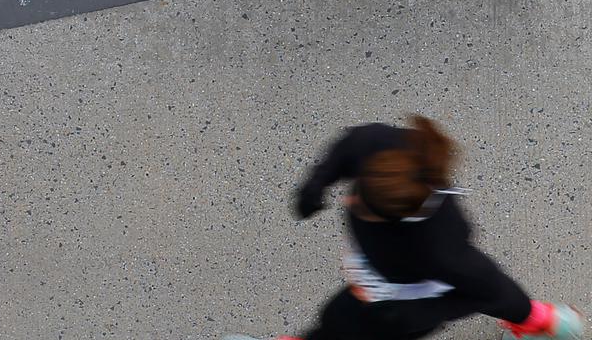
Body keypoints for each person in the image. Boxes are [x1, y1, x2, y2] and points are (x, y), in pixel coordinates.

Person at [225, 117, 583, 340]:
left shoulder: (438, 249)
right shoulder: (389, 153)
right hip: (383, 285)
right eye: (357, 194)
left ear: (400, 221)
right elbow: (351, 144)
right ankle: (545, 325)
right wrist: (315, 185)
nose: (351, 204)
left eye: (364, 210)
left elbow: (489, 288)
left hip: (399, 308)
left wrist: (423, 314)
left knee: (340, 323)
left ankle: (544, 325)